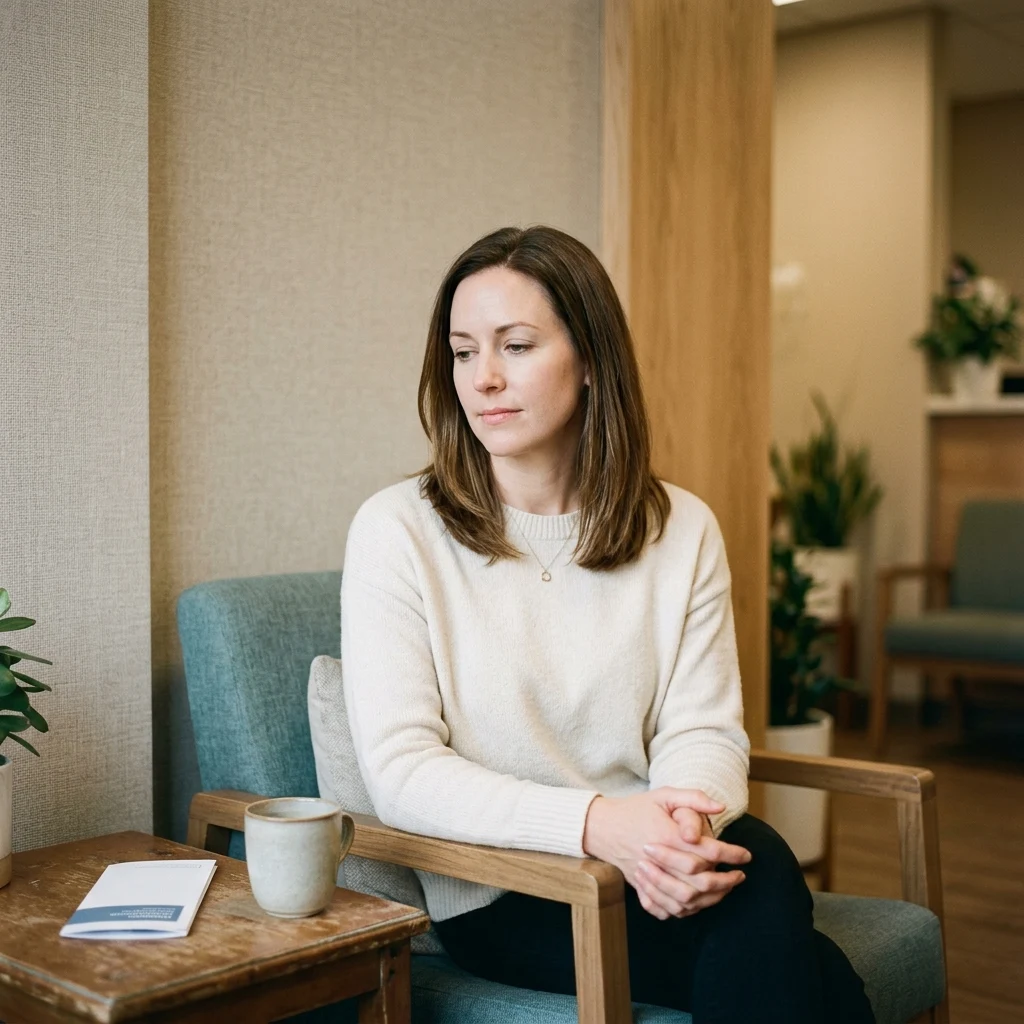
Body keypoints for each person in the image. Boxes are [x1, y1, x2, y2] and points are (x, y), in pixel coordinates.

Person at [339, 225, 874, 1023]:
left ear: (590, 359)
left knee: (778, 918)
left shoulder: (681, 528)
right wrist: (599, 826)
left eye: (516, 346)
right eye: (462, 352)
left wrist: (678, 829)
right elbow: (402, 771)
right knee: (783, 912)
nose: (483, 378)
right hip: (506, 889)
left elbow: (704, 729)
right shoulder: (398, 530)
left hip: (654, 864)